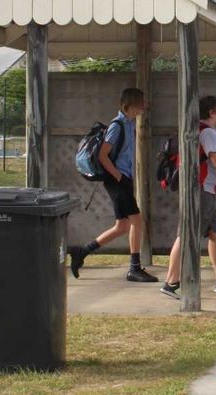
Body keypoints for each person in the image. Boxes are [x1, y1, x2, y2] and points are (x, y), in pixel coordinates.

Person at [161, 96, 216, 298]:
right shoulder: (208, 132)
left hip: (201, 189)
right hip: (202, 190)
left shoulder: (198, 129)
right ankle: (171, 282)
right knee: (187, 235)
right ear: (211, 113)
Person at [69, 88, 156, 283]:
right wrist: (119, 177)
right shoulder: (118, 125)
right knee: (137, 221)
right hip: (117, 180)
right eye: (141, 102)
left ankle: (82, 252)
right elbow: (103, 155)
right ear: (130, 104)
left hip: (122, 179)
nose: (144, 106)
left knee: (122, 226)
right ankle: (134, 268)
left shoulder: (130, 123)